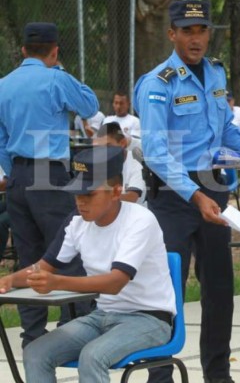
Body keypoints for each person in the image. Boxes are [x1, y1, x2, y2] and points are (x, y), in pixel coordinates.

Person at [134, 0, 240, 383]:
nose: (196, 39)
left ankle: (218, 373)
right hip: (174, 195)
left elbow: (225, 126)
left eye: (202, 30)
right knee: (167, 289)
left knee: (220, 287)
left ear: (209, 33)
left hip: (215, 187)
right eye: (187, 31)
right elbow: (157, 153)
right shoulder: (157, 83)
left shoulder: (215, 73)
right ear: (172, 34)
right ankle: (158, 374)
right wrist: (195, 196)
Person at [0, 146, 176, 383]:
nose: (80, 202)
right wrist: (9, 281)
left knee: (92, 357)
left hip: (150, 319)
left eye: (89, 194)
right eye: (76, 194)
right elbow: (43, 267)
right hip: (101, 315)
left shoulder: (140, 220)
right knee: (35, 352)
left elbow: (115, 283)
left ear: (116, 192)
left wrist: (57, 282)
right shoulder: (77, 222)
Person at [0, 22, 99, 347]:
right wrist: (62, 72)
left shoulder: (4, 85)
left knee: (28, 254)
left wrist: (13, 170)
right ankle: (75, 326)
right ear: (55, 51)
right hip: (51, 176)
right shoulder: (56, 78)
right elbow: (89, 107)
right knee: (67, 250)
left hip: (18, 179)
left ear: (24, 51)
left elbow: (1, 138)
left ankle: (33, 336)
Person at [93, 122, 146, 203]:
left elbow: (131, 198)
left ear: (122, 143)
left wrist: (98, 198)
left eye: (108, 146)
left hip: (133, 212)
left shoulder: (137, 162)